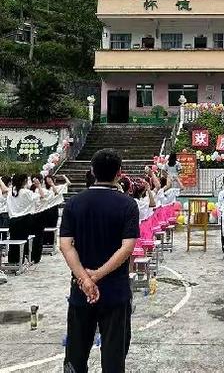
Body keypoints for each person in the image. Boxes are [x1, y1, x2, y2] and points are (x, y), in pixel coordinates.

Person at [60, 148, 139, 373]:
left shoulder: (74, 203)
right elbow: (127, 247)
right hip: (115, 289)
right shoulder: (127, 204)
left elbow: (65, 245)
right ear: (119, 173)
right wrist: (98, 275)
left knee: (76, 349)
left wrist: (85, 279)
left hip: (81, 290)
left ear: (92, 171)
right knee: (114, 352)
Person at [7, 174, 45, 264]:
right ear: (24, 181)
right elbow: (42, 196)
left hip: (13, 219)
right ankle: (22, 259)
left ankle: (13, 260)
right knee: (24, 240)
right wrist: (38, 185)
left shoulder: (11, 192)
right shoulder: (25, 192)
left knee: (14, 240)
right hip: (25, 219)